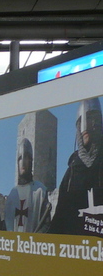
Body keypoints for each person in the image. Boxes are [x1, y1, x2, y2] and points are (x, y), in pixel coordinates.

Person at [50, 97, 103, 237]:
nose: (85, 126)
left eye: (91, 118)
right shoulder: (71, 174)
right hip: (76, 252)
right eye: (81, 122)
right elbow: (59, 220)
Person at [5, 138, 52, 232]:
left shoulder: (40, 191)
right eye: (20, 159)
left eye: (26, 157)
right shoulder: (12, 194)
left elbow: (46, 225)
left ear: (31, 161)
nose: (23, 162)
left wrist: (33, 243)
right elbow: (6, 226)